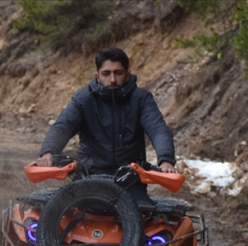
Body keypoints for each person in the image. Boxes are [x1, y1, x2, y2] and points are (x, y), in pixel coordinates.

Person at [35, 47, 177, 181]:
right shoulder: (83, 99)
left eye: (118, 73)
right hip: (88, 175)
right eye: (106, 73)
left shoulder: (141, 99)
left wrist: (166, 160)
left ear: (128, 75)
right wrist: (48, 152)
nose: (112, 79)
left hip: (131, 177)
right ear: (97, 76)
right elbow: (63, 127)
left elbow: (157, 128)